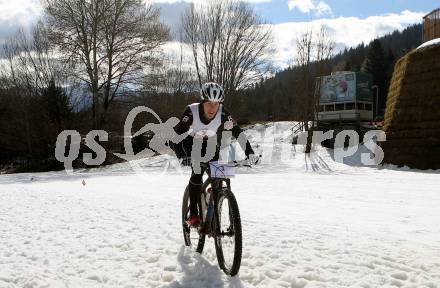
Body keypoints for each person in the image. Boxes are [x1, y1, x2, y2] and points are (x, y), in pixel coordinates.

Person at [170, 82, 258, 227]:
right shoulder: (191, 111)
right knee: (197, 173)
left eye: (216, 104)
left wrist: (250, 152)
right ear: (203, 102)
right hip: (191, 143)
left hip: (210, 144)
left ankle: (217, 195)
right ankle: (193, 214)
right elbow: (176, 136)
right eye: (209, 104)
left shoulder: (223, 112)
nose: (212, 108)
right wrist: (181, 156)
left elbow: (237, 132)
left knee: (223, 173)